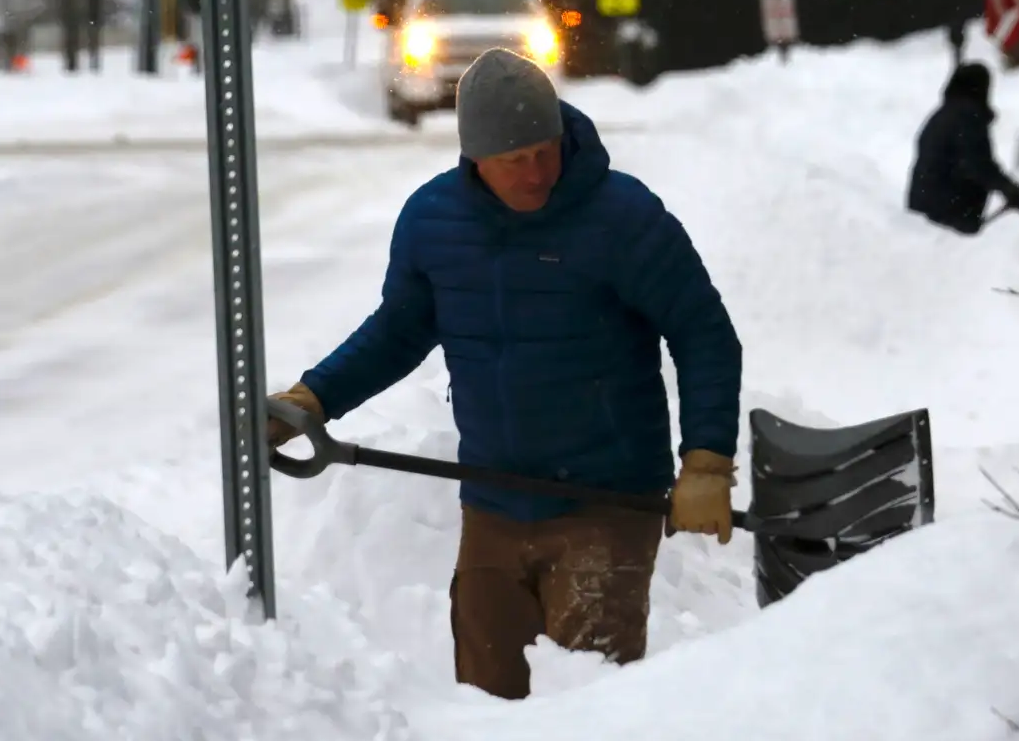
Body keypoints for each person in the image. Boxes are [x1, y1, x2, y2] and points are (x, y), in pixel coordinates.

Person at [266, 47, 743, 700]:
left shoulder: (622, 217)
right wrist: (312, 399)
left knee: (592, 704)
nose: (537, 171)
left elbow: (703, 330)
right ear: (475, 158)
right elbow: (399, 330)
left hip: (607, 501)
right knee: (487, 701)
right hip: (492, 498)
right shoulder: (434, 223)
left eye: (546, 150)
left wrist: (707, 460)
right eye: (515, 160)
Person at [906, 61, 1019, 235]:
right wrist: (1008, 188)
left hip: (922, 211)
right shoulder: (967, 118)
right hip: (948, 215)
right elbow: (977, 164)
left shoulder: (941, 115)